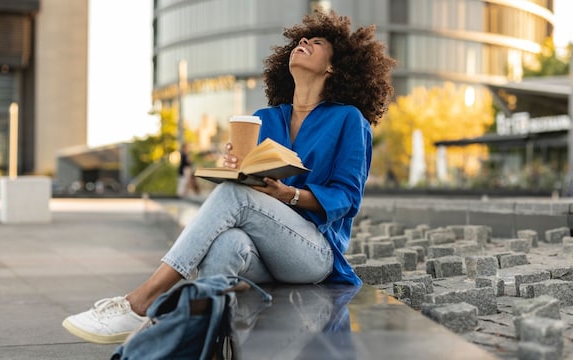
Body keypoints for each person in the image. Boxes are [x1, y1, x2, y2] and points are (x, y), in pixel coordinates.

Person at [62, 9, 395, 344]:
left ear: (334, 66)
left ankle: (141, 303)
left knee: (233, 197)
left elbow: (347, 199)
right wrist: (235, 168)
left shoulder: (349, 120)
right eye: (300, 40)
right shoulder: (264, 118)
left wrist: (288, 195)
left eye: (316, 41)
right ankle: (200, 339)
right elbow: (247, 187)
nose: (303, 42)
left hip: (313, 253)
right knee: (226, 242)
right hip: (264, 251)